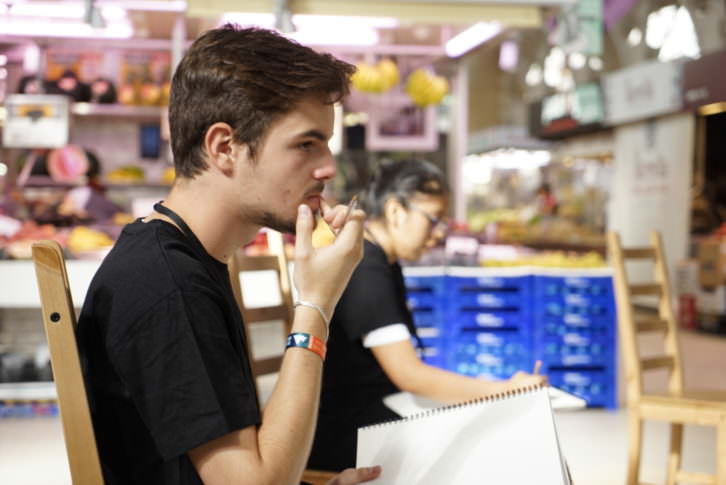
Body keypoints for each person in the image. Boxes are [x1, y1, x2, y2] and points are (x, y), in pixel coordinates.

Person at [76, 25, 381, 485]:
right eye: (306, 143)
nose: (328, 168)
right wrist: (315, 305)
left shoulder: (184, 260)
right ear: (225, 148)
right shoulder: (166, 282)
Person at [308, 160, 546, 472]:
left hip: (374, 420)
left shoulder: (382, 262)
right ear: (395, 211)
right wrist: (503, 390)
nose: (438, 234)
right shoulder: (366, 268)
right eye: (433, 220)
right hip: (353, 437)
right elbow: (409, 374)